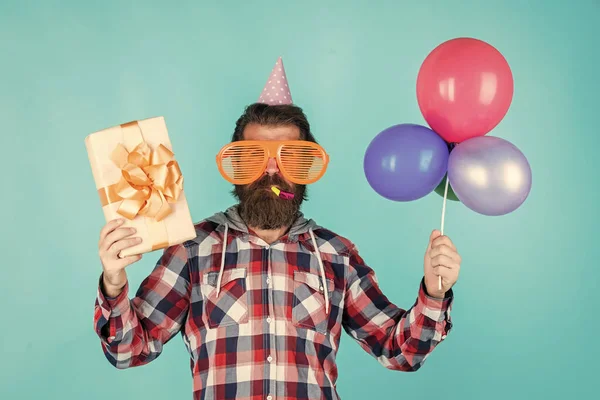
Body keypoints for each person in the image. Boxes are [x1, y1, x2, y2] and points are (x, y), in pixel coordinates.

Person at [93, 58, 461, 400]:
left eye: (291, 157)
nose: (271, 171)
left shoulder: (337, 255)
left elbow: (400, 352)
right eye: (253, 157)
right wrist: (113, 281)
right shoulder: (193, 249)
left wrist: (434, 290)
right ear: (235, 163)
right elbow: (129, 351)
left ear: (307, 168)